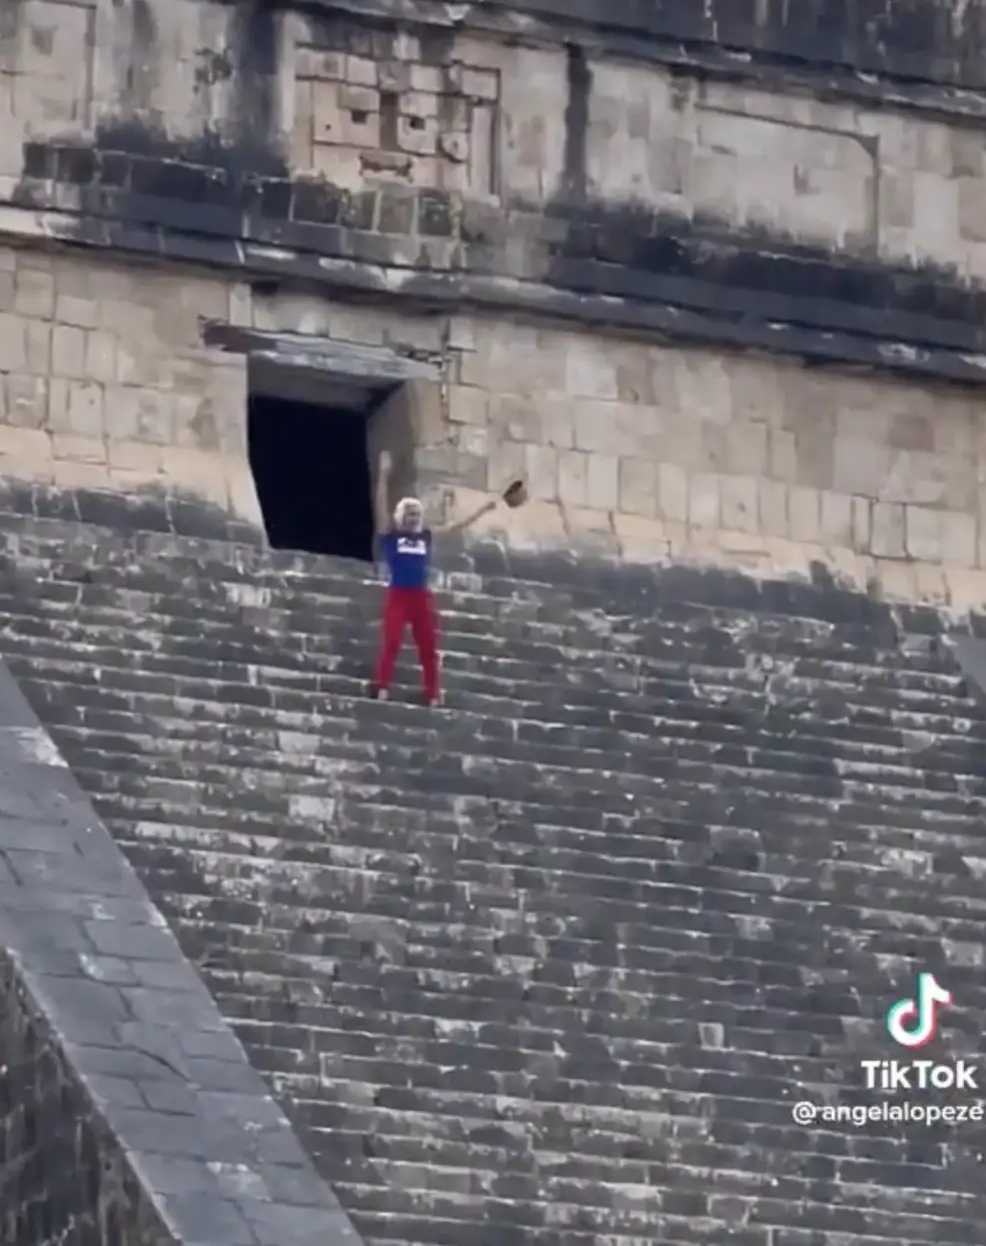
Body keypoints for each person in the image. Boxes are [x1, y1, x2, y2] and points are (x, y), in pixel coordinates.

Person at [370, 449, 495, 705]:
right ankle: (381, 686)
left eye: (417, 514)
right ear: (401, 517)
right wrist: (384, 475)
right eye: (409, 514)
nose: (414, 518)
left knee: (428, 647)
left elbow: (455, 528)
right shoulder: (391, 537)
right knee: (392, 641)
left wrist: (482, 511)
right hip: (399, 594)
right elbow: (381, 508)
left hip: (420, 597)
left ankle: (433, 693)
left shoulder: (425, 537)